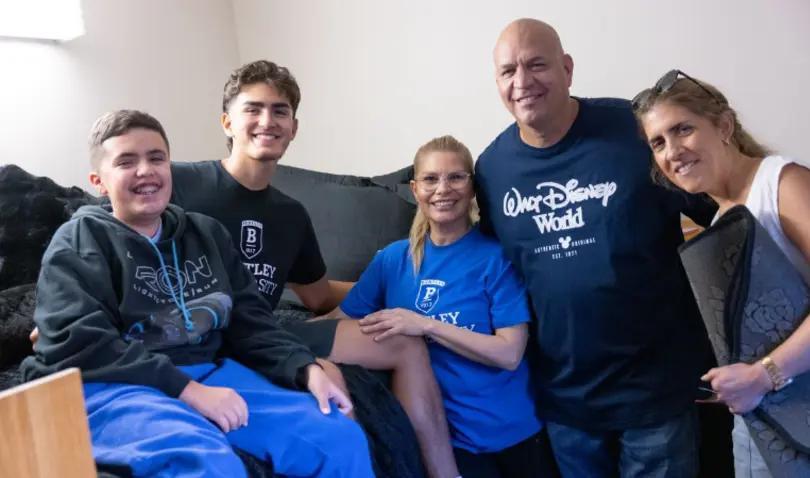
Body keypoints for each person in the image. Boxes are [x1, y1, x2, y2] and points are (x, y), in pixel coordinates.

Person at [20, 109, 374, 478]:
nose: (145, 170)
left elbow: (251, 322)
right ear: (99, 182)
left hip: (205, 370)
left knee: (339, 439)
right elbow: (80, 341)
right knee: (209, 465)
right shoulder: (78, 241)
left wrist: (303, 367)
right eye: (126, 161)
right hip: (112, 384)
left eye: (156, 158)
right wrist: (187, 390)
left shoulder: (207, 233)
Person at [473, 18, 720, 477]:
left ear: (567, 68)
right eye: (508, 71)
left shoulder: (635, 130)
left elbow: (723, 207)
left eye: (537, 65)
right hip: (565, 404)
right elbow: (496, 276)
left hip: (655, 394)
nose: (522, 82)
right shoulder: (491, 169)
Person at [631, 69, 810, 477]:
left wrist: (764, 374)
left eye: (683, 129)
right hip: (773, 417)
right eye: (658, 142)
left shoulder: (783, 184)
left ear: (724, 126)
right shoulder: (722, 220)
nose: (673, 151)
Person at [320, 135, 559, 478]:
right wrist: (269, 336)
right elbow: (337, 322)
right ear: (415, 189)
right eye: (431, 179)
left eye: (456, 177)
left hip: (515, 435)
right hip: (451, 444)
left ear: (472, 187)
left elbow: (509, 353)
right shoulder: (392, 260)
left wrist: (425, 324)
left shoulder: (496, 257)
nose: (443, 189)